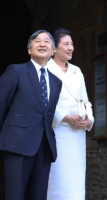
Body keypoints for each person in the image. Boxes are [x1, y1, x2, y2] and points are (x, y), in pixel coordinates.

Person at [0, 30, 62, 200]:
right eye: (37, 41)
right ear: (29, 50)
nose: (42, 44)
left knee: (39, 196)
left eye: (47, 41)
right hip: (17, 144)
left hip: (44, 147)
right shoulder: (16, 71)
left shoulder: (56, 82)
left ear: (53, 50)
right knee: (15, 195)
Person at [47, 28, 94, 200]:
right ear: (54, 48)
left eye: (72, 44)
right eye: (66, 44)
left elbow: (85, 100)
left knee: (75, 182)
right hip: (58, 132)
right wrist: (65, 118)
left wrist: (89, 120)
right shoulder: (46, 69)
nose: (71, 48)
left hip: (77, 135)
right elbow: (43, 103)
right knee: (58, 180)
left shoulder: (77, 71)